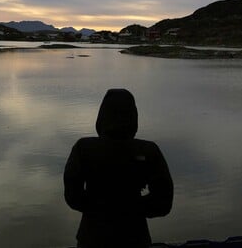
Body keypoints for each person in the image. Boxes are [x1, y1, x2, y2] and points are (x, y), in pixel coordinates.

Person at [64, 88, 173, 248]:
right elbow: (163, 203)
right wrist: (133, 207)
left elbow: (72, 196)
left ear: (101, 117)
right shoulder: (148, 150)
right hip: (135, 238)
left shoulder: (84, 148)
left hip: (92, 238)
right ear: (134, 117)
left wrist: (99, 207)